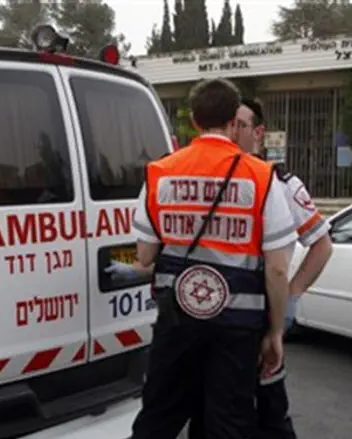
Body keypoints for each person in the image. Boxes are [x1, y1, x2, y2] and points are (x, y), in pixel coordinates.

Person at [125, 78, 298, 439]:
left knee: (158, 416)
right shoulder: (261, 176)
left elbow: (145, 255)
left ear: (194, 121)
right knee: (228, 423)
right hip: (236, 328)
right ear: (234, 121)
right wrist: (276, 330)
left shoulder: (160, 172)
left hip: (177, 322)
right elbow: (278, 269)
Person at [188, 97, 334, 439]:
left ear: (258, 132)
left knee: (268, 410)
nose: (232, 131)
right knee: (208, 411)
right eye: (229, 122)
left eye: (240, 124)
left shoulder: (280, 183)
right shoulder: (201, 179)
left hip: (256, 316)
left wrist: (291, 299)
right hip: (206, 313)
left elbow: (322, 245)